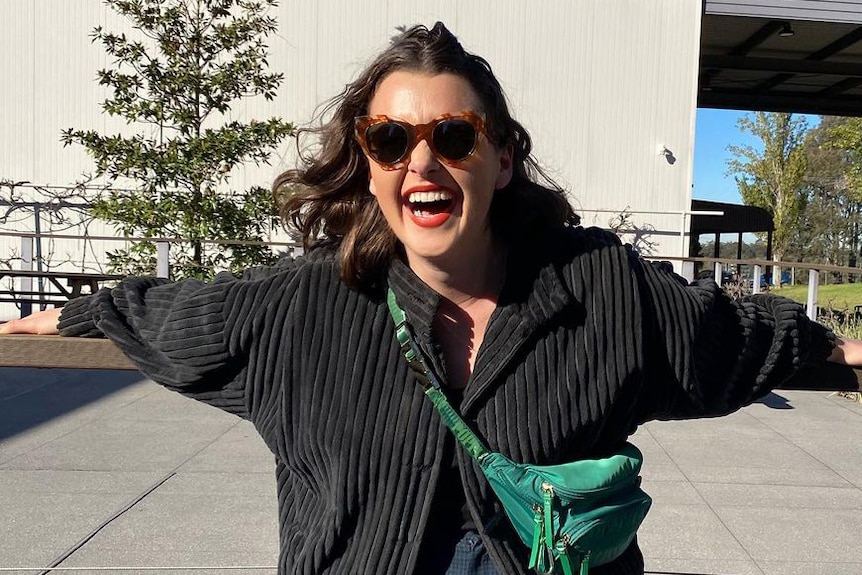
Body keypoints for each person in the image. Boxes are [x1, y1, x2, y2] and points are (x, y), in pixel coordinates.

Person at [2, 22, 862, 575]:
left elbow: (733, 334)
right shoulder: (297, 308)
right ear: (367, 160)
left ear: (501, 159)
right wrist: (70, 315)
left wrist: (834, 347)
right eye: (390, 138)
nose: (421, 162)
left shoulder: (600, 288)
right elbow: (162, 312)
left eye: (453, 136)